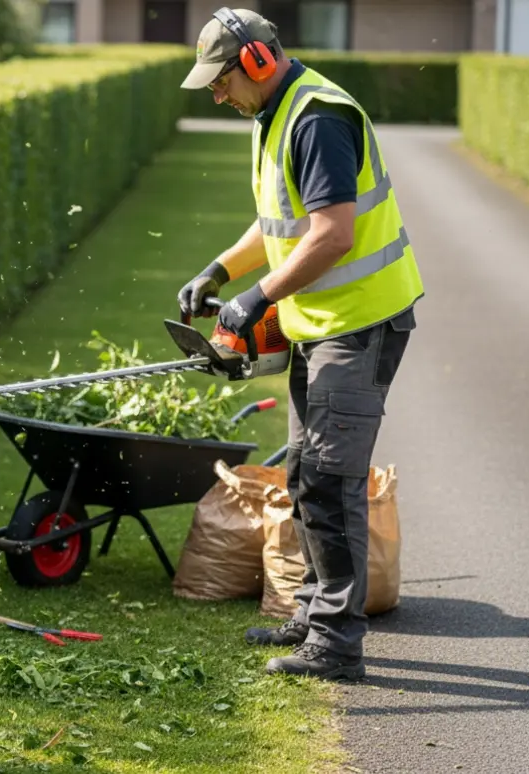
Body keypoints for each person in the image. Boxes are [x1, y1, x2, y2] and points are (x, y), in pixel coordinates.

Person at [176, 8, 423, 681]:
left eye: (221, 82)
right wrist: (220, 271)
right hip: (319, 325)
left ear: (256, 61)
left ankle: (337, 646)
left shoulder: (316, 117)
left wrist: (258, 298)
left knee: (331, 481)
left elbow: (333, 234)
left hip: (359, 324)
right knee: (305, 475)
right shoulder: (274, 115)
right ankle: (314, 613)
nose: (218, 95)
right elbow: (278, 221)